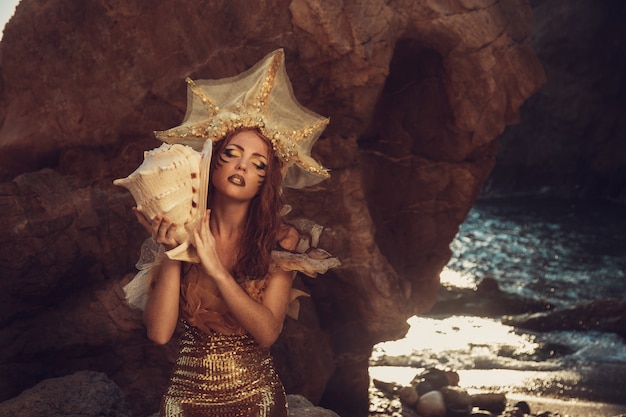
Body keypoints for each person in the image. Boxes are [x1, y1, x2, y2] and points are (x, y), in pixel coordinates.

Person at [119, 49, 339, 417]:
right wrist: (173, 254)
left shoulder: (282, 241)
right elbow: (158, 334)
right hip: (184, 399)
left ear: (265, 181)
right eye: (232, 154)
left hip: (257, 400)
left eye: (257, 164)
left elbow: (268, 333)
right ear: (211, 162)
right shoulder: (180, 230)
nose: (241, 166)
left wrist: (215, 269)